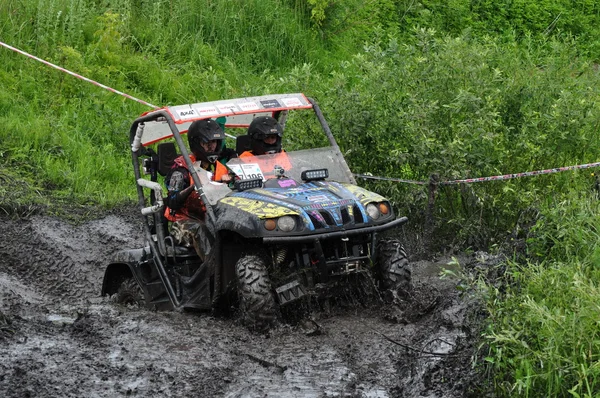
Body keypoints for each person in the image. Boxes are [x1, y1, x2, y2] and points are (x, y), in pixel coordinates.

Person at [163, 119, 235, 258]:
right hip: (184, 221)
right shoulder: (182, 169)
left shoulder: (220, 168)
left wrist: (228, 182)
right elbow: (172, 201)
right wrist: (193, 188)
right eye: (206, 143)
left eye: (214, 142)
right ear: (197, 143)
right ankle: (216, 270)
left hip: (215, 218)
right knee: (200, 230)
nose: (211, 147)